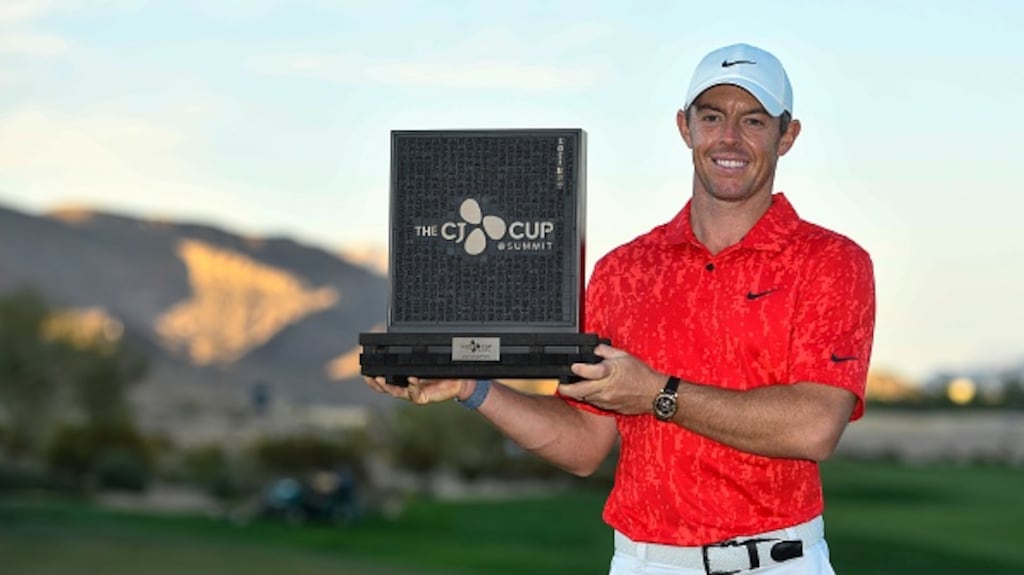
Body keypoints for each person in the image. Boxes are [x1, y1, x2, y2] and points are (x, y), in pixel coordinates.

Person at [366, 42, 875, 575]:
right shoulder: (624, 272)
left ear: (786, 135)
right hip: (643, 562)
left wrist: (658, 394)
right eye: (711, 117)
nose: (729, 138)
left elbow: (814, 427)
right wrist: (473, 387)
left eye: (753, 120)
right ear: (685, 128)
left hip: (777, 561)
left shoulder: (831, 263)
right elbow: (585, 443)